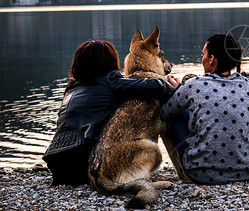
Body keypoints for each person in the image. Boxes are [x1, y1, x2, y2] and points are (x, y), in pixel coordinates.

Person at [43, 40, 176, 186]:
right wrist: (168, 85)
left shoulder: (71, 88)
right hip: (85, 163)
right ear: (110, 62)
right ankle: (133, 178)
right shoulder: (110, 79)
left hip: (57, 166)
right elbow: (151, 85)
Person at [160, 33, 249, 185]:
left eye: (203, 54)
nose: (202, 58)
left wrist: (179, 91)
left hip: (199, 172)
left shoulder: (193, 85)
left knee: (177, 113)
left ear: (212, 59)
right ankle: (246, 154)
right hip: (246, 170)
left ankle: (186, 168)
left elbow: (165, 113)